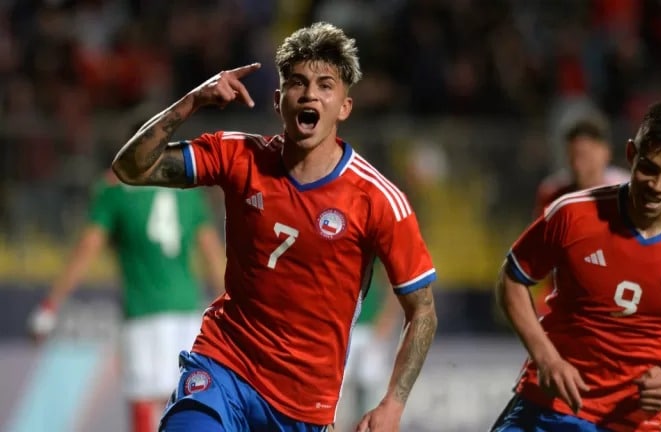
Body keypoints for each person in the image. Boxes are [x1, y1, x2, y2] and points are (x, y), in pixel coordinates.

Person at [111, 22, 438, 432]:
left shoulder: (378, 200)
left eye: (325, 85)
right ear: (278, 100)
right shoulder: (237, 156)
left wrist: (393, 402)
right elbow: (131, 169)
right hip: (223, 366)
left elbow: (422, 309)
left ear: (344, 107)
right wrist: (193, 101)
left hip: (303, 405)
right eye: (297, 83)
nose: (310, 94)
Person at [491, 102, 661, 432]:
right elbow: (512, 278)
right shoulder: (572, 214)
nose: (657, 185)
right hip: (547, 406)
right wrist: (546, 357)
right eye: (648, 168)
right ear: (631, 154)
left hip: (630, 423)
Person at [27, 169, 226, 432]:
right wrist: (231, 309)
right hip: (188, 316)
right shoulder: (187, 188)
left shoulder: (116, 189)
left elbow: (87, 248)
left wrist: (50, 305)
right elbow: (213, 255)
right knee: (187, 405)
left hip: (143, 313)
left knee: (144, 405)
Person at [531, 117, 630, 315]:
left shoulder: (627, 192)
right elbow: (540, 249)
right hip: (566, 290)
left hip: (618, 288)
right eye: (573, 157)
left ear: (605, 152)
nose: (578, 165)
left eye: (585, 156)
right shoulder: (552, 193)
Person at [338, 266, 403, 430]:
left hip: (370, 330)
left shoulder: (376, 255)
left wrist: (387, 319)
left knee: (369, 394)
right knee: (336, 396)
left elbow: (393, 284)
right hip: (343, 329)